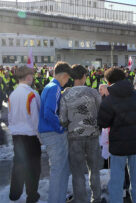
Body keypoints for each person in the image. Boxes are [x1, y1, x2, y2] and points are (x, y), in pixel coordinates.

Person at [98, 68, 136, 203]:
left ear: (108, 82)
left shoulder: (110, 99)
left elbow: (103, 122)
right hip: (135, 143)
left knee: (116, 179)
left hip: (117, 146)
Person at [59, 65, 102, 203]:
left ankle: (80, 200)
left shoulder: (65, 95)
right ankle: (96, 199)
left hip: (74, 138)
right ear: (84, 76)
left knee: (77, 173)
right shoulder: (93, 92)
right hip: (93, 136)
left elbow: (62, 119)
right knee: (94, 170)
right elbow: (101, 113)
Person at [38, 61, 72, 203]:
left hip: (47, 132)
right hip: (53, 133)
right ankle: (56, 199)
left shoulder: (50, 86)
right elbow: (49, 112)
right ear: (64, 76)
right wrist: (60, 128)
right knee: (59, 170)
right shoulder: (55, 88)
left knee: (60, 168)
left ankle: (59, 197)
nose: (67, 81)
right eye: (68, 78)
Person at [8, 67, 41, 203]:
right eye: (32, 76)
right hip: (31, 136)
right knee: (33, 168)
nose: (33, 78)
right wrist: (40, 137)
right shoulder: (32, 94)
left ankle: (14, 194)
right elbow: (35, 119)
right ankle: (32, 196)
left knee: (19, 164)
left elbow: (10, 117)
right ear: (28, 77)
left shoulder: (12, 94)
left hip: (17, 135)